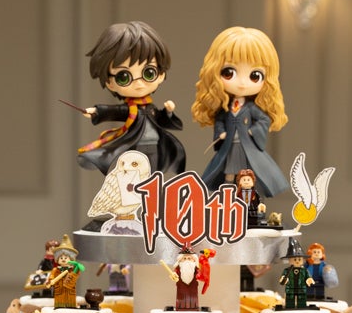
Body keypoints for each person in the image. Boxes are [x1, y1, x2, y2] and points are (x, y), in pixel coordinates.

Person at [78, 21, 185, 176]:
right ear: (110, 83)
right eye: (124, 77)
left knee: (154, 175)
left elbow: (161, 119)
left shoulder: (150, 108)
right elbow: (115, 111)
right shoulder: (130, 110)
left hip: (155, 145)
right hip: (134, 145)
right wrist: (97, 111)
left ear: (161, 74)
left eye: (149, 73)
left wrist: (168, 112)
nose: (139, 84)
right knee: (135, 175)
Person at [192, 26, 289, 197]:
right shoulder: (226, 108)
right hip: (230, 146)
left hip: (247, 147)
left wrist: (253, 131)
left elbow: (264, 120)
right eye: (229, 73)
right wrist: (220, 132)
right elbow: (220, 120)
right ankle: (226, 200)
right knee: (228, 174)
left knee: (247, 176)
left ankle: (249, 203)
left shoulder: (251, 109)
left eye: (255, 75)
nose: (243, 83)